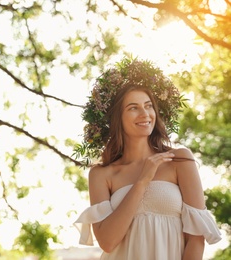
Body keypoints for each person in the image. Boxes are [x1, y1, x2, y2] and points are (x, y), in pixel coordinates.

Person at [73, 57, 222, 260]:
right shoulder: (101, 174)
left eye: (148, 105)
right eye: (133, 108)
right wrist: (143, 181)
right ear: (117, 119)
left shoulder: (179, 160)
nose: (144, 113)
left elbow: (196, 239)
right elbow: (107, 242)